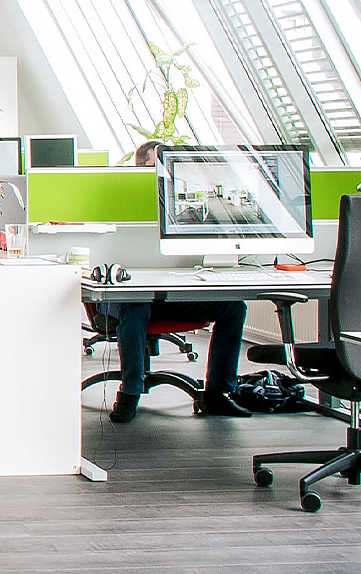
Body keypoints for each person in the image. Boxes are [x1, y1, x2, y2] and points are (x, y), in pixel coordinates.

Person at [99, 140, 251, 422]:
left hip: (170, 295)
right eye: (157, 164)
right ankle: (131, 391)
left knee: (234, 307)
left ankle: (219, 394)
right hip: (125, 295)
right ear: (139, 167)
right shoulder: (116, 195)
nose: (164, 172)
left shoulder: (183, 206)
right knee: (136, 307)